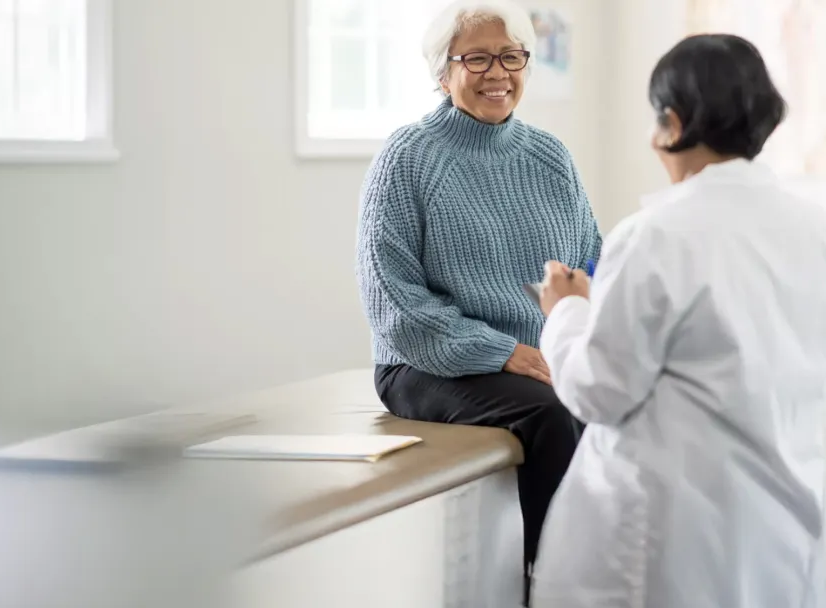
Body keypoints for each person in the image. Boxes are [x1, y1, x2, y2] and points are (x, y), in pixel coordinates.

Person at [532, 34, 826, 607]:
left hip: (671, 537)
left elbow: (600, 390)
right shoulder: (815, 226)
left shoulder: (656, 235)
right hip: (785, 527)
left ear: (672, 122)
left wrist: (566, 310)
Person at [354, 0, 602, 600]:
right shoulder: (408, 157)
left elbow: (593, 259)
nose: (498, 72)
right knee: (549, 412)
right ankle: (554, 582)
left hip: (537, 353)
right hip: (425, 361)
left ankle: (616, 569)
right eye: (478, 58)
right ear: (443, 73)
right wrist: (500, 351)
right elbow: (395, 303)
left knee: (612, 400)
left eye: (511, 56)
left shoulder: (550, 157)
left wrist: (585, 330)